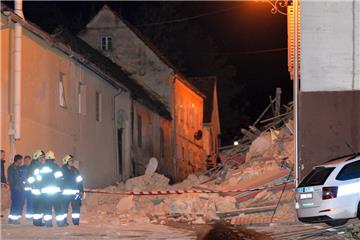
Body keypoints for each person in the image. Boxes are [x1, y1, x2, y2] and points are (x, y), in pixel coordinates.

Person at [37, 150, 65, 227]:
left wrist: (40, 188)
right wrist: (61, 187)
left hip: (45, 192)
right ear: (53, 158)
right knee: (58, 207)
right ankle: (60, 223)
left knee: (47, 208)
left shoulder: (42, 167)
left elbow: (39, 180)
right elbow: (59, 178)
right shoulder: (56, 167)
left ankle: (48, 223)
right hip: (55, 191)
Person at [61, 154, 83, 226]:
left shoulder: (75, 170)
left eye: (72, 160)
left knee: (76, 208)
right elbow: (58, 181)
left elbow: (80, 181)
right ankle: (63, 221)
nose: (72, 162)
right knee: (64, 209)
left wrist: (81, 190)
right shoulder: (62, 170)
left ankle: (76, 222)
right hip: (65, 194)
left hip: (75, 193)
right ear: (66, 161)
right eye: (70, 160)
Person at [27, 150, 46, 226]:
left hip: (40, 188)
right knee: (38, 206)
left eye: (43, 157)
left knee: (40, 206)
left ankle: (38, 221)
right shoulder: (33, 166)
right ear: (37, 157)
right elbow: (30, 178)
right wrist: (35, 184)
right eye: (41, 157)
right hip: (36, 189)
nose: (43, 159)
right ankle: (37, 222)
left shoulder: (39, 165)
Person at [7, 154, 25, 224]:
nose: (21, 161)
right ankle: (12, 219)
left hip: (20, 189)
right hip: (15, 189)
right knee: (15, 204)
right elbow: (10, 179)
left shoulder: (18, 168)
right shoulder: (11, 168)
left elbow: (20, 178)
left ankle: (16, 218)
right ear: (17, 160)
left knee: (19, 204)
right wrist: (14, 186)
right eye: (21, 160)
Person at [20, 155, 33, 220]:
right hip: (22, 188)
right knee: (21, 202)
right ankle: (18, 215)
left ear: (30, 161)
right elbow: (19, 177)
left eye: (28, 160)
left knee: (30, 202)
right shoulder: (21, 168)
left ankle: (29, 216)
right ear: (24, 161)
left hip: (30, 188)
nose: (27, 162)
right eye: (26, 160)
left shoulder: (33, 168)